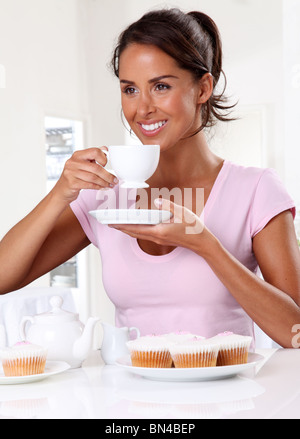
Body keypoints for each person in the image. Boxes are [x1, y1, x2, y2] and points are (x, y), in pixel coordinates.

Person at [0, 8, 299, 348]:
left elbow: (295, 332)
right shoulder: (104, 194)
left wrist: (206, 246)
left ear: (202, 88)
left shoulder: (256, 190)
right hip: (125, 399)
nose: (142, 109)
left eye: (160, 86)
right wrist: (59, 194)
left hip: (229, 399)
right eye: (130, 90)